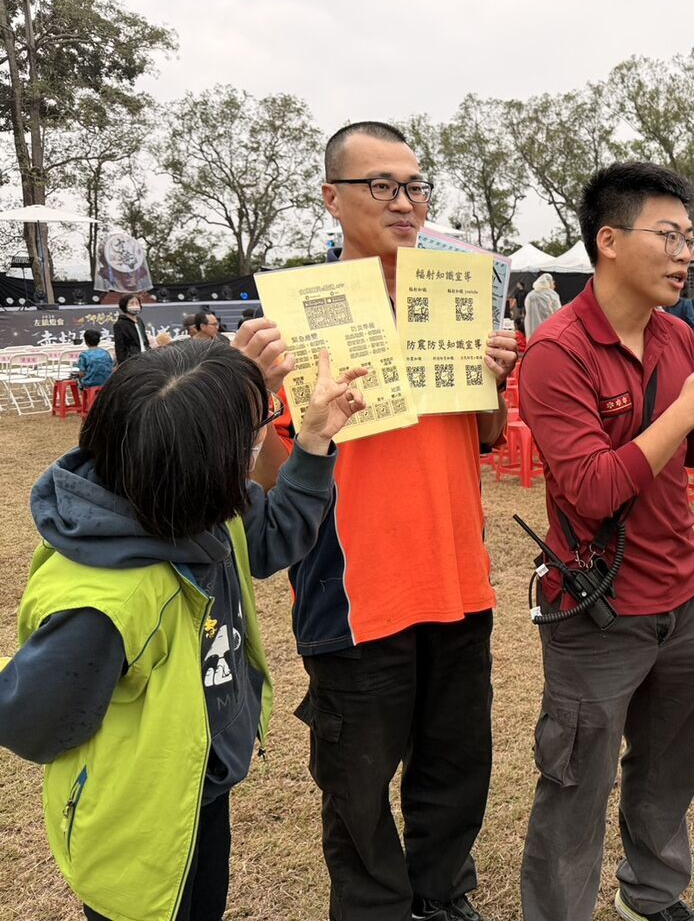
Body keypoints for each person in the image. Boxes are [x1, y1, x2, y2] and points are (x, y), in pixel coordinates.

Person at [238, 120, 518, 921]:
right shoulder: (301, 319)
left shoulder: (453, 296)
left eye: (416, 186)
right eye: (382, 186)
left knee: (457, 764)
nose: (405, 203)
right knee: (357, 783)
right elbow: (271, 481)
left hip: (457, 577)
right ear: (332, 199)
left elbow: (488, 436)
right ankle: (374, 909)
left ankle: (442, 895)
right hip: (351, 590)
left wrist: (494, 377)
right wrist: (262, 395)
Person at [518, 161, 694, 921]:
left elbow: (686, 452)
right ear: (609, 240)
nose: (686, 253)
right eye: (669, 235)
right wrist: (685, 413)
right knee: (577, 777)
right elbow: (590, 488)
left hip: (685, 592)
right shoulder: (557, 352)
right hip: (599, 609)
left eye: (690, 237)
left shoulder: (678, 336)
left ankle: (650, 892)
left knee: (671, 764)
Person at [0, 338, 365, 921]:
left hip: (202, 786)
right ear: (206, 463)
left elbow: (273, 537)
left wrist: (316, 440)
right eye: (255, 431)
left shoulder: (199, 509)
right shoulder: (107, 603)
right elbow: (31, 722)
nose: (261, 441)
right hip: (136, 822)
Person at [112, 293, 150, 366]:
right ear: (125, 306)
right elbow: (120, 347)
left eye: (137, 303)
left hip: (146, 357)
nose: (135, 306)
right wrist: (123, 364)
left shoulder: (139, 321)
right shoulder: (120, 324)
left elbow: (145, 339)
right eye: (131, 303)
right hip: (132, 360)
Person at [524, 273, 563, 339]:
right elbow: (558, 313)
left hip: (532, 328)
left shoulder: (530, 295)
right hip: (549, 329)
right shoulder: (552, 294)